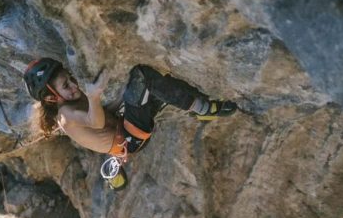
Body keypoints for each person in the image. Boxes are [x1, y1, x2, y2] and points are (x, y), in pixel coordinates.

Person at [23, 58, 237, 157]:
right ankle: (205, 109)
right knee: (142, 76)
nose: (73, 84)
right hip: (130, 138)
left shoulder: (70, 102)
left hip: (127, 132)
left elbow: (109, 113)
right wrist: (95, 95)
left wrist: (126, 91)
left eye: (70, 78)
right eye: (66, 85)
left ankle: (199, 107)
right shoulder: (65, 115)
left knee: (158, 86)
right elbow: (96, 121)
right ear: (52, 98)